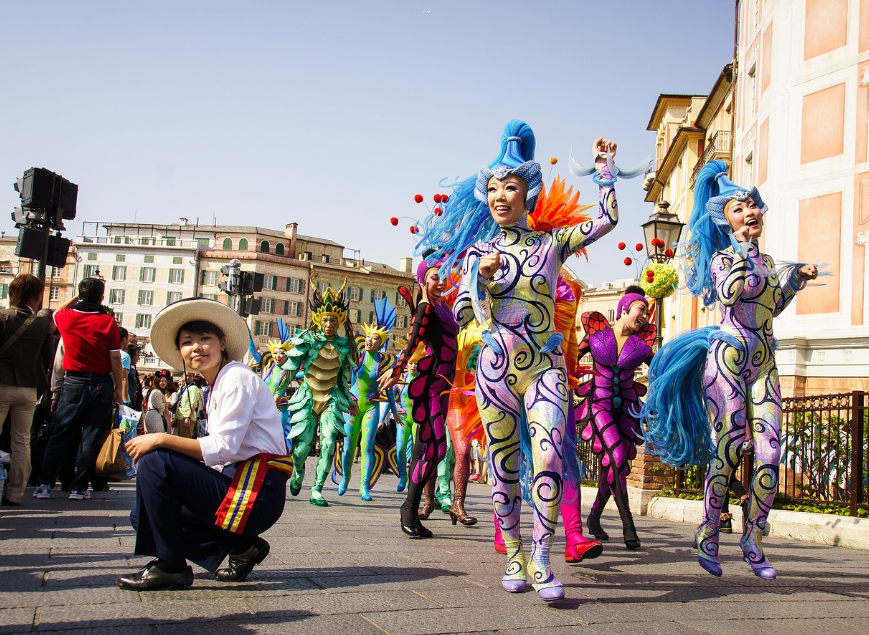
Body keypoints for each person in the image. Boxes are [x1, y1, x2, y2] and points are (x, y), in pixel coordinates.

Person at [442, 121, 620, 601]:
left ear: (529, 193)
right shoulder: (477, 253)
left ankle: (542, 556)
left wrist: (604, 170)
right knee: (503, 463)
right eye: (495, 188)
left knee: (547, 456)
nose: (502, 196)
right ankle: (515, 552)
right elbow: (461, 313)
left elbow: (606, 220)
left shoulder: (551, 244)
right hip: (495, 368)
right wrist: (478, 280)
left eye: (511, 187)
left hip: (544, 368)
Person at [640, 160, 819, 580]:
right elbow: (728, 292)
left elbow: (770, 306)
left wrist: (795, 280)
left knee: (771, 452)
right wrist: (741, 251)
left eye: (753, 206)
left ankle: (753, 538)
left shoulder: (769, 260)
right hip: (728, 358)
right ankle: (709, 531)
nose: (751, 212)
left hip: (764, 361)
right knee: (730, 446)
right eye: (740, 208)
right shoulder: (724, 258)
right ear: (727, 220)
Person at [116, 298, 290, 591]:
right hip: (237, 486)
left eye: (204, 339)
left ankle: (171, 566)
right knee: (144, 514)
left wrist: (159, 438)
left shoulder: (236, 379)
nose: (196, 347)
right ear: (181, 353)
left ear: (222, 343)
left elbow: (223, 448)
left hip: (257, 493)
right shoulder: (217, 383)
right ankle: (242, 545)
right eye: (187, 342)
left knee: (155, 461)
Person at [379, 258, 458, 540]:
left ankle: (410, 511)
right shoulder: (426, 309)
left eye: (444, 277)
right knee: (436, 450)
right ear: (424, 280)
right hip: (430, 388)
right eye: (435, 277)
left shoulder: (443, 308)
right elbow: (412, 341)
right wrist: (396, 369)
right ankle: (409, 507)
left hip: (443, 389)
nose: (440, 282)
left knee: (430, 449)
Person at [578, 284, 655, 550]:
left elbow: (659, 370)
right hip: (598, 407)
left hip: (626, 407)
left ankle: (595, 517)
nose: (645, 315)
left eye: (647, 312)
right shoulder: (596, 334)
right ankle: (628, 526)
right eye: (641, 309)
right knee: (617, 458)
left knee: (617, 466)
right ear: (625, 308)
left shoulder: (641, 343)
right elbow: (571, 360)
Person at [33, 278, 125, 501]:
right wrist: (118, 389)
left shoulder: (66, 317)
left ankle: (45, 484)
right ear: (102, 297)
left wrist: (78, 298)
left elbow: (57, 310)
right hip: (101, 383)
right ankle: (79, 487)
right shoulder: (108, 322)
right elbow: (115, 357)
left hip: (73, 381)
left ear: (79, 294)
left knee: (61, 434)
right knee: (92, 437)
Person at [284, 281, 358, 507]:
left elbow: (343, 379)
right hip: (308, 397)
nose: (329, 324)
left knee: (327, 443)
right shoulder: (307, 341)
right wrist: (278, 393)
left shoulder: (344, 347)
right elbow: (290, 369)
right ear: (318, 319)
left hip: (331, 400)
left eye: (333, 320)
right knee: (301, 448)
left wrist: (350, 400)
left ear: (340, 322)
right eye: (325, 319)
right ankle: (298, 471)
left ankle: (317, 489)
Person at [0, 274, 54, 505]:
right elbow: (47, 359)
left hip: (1, 384)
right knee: (21, 441)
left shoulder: (2, 317)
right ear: (34, 297)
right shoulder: (42, 325)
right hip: (28, 389)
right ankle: (15, 493)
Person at [337, 298, 396, 501]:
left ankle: (364, 486)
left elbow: (387, 389)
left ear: (381, 342)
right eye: (368, 337)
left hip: (371, 406)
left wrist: (394, 411)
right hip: (353, 406)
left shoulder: (383, 362)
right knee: (348, 446)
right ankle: (345, 477)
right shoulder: (357, 356)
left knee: (367, 446)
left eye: (375, 338)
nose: (370, 340)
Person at [173, 373, 202, 439]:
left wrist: (188, 417)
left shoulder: (193, 388)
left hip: (187, 416)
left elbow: (193, 404)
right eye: (186, 376)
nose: (188, 377)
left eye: (190, 376)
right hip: (180, 416)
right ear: (182, 376)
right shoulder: (183, 387)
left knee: (184, 440)